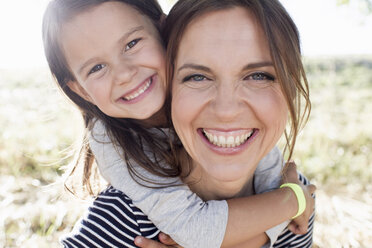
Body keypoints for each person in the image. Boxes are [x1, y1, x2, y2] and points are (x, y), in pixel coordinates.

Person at [41, 0, 315, 247]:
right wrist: (293, 201)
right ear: (82, 91)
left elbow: (268, 172)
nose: (125, 74)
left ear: (163, 32)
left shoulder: (288, 190)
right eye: (96, 67)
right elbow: (192, 229)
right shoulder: (113, 157)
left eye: (132, 44)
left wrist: (290, 194)